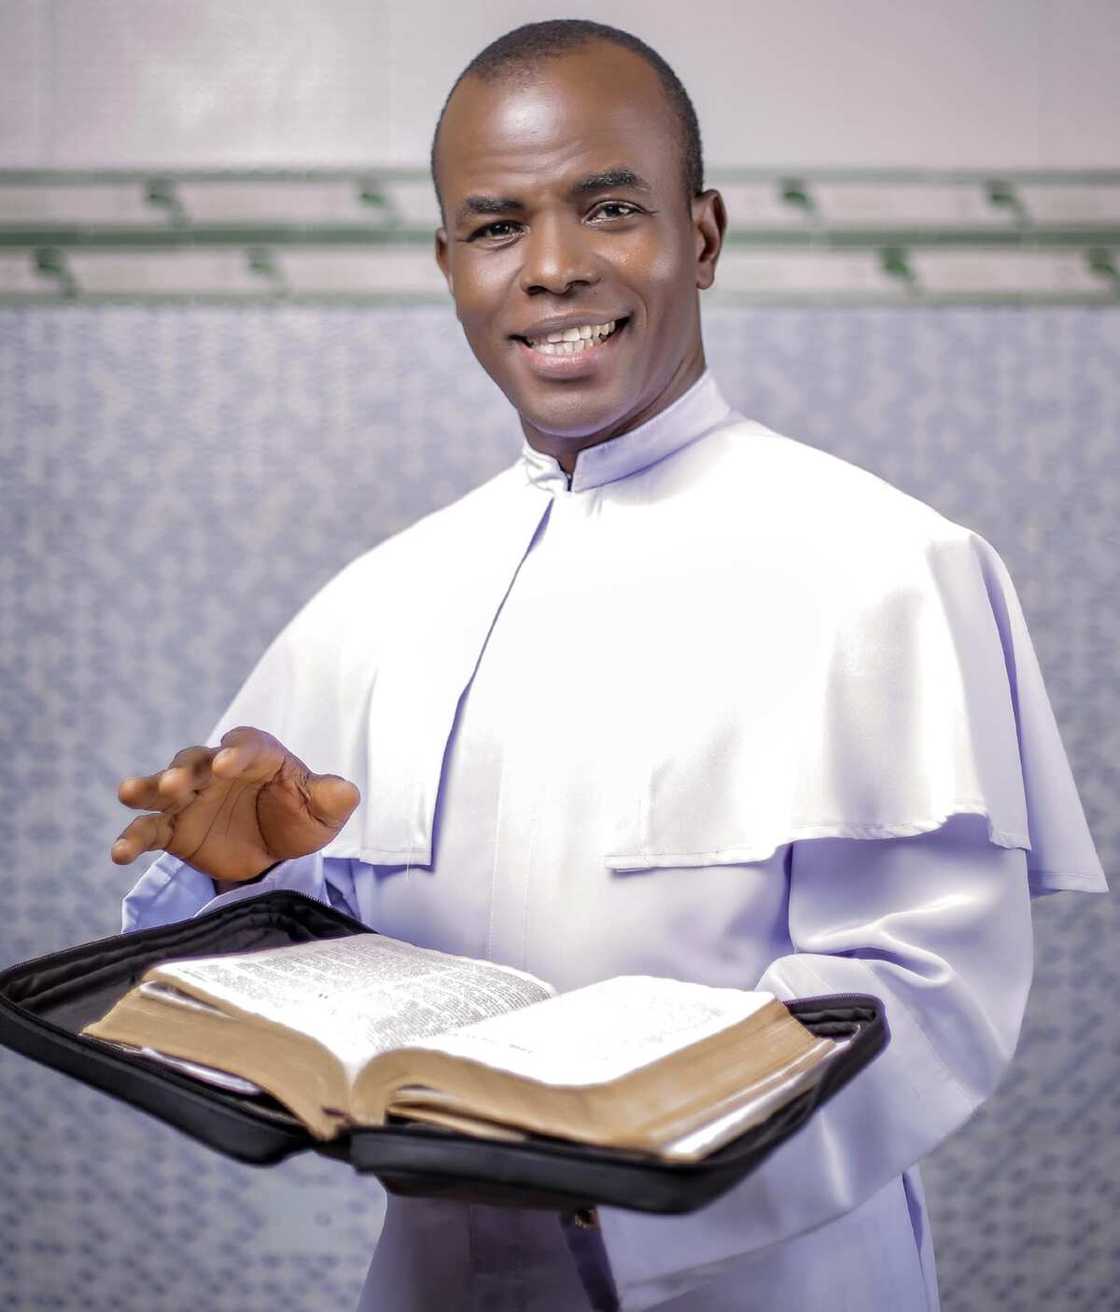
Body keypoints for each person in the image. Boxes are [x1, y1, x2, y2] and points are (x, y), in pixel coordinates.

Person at [110, 20, 1107, 1312]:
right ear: (448, 263)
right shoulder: (371, 606)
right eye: (495, 226)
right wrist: (237, 882)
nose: (554, 269)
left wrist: (597, 1169)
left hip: (768, 1284)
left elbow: (923, 1002)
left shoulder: (890, 571)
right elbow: (312, 1016)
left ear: (702, 235)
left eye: (609, 206)